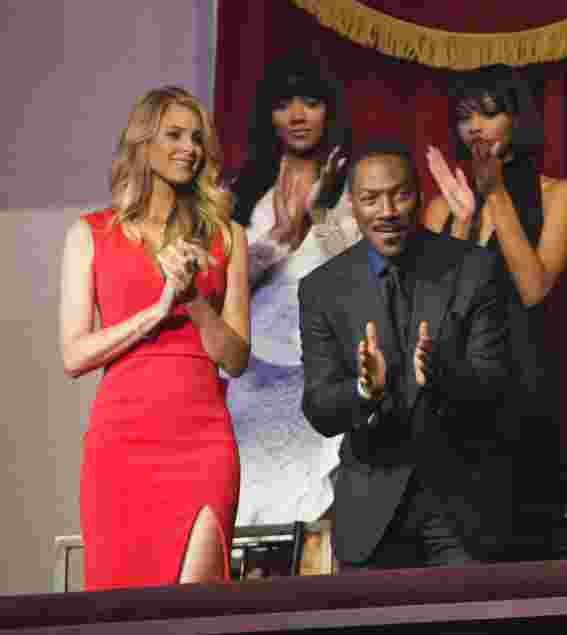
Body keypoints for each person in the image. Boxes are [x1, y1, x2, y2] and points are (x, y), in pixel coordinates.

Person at [60, 86, 250, 590]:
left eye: (197, 138)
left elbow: (235, 359)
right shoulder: (90, 234)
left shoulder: (228, 235)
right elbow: (74, 355)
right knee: (122, 613)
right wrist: (157, 310)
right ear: (143, 143)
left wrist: (191, 300)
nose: (190, 147)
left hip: (203, 440)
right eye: (174, 135)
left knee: (196, 607)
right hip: (121, 445)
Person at [299, 139, 512, 568]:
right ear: (353, 207)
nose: (387, 211)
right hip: (371, 512)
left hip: (461, 508)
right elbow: (320, 407)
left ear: (418, 195)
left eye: (400, 194)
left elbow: (497, 384)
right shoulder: (324, 289)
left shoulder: (474, 269)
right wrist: (363, 391)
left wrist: (441, 372)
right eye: (370, 199)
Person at [422, 65, 567, 515]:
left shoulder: (558, 195)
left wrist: (496, 197)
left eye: (490, 114)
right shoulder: (443, 207)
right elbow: (435, 308)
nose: (475, 127)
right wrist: (464, 224)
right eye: (465, 116)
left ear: (516, 118)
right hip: (458, 397)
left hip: (527, 395)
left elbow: (534, 288)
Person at [227, 53, 360, 537]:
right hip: (254, 373)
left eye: (311, 102)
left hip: (321, 368)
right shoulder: (244, 185)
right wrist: (279, 238)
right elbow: (224, 284)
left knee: (314, 517)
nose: (299, 116)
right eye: (285, 104)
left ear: (331, 109)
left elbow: (359, 273)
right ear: (268, 115)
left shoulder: (353, 182)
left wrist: (322, 214)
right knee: (251, 515)